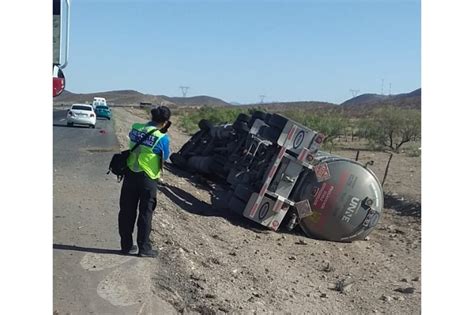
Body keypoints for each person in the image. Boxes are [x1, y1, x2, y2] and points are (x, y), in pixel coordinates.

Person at [118, 106, 171, 257]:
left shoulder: (136, 127)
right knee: (145, 213)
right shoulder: (162, 137)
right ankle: (144, 248)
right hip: (148, 177)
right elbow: (165, 156)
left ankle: (126, 246)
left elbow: (132, 137)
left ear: (151, 116)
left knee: (126, 211)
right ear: (166, 121)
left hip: (130, 173)